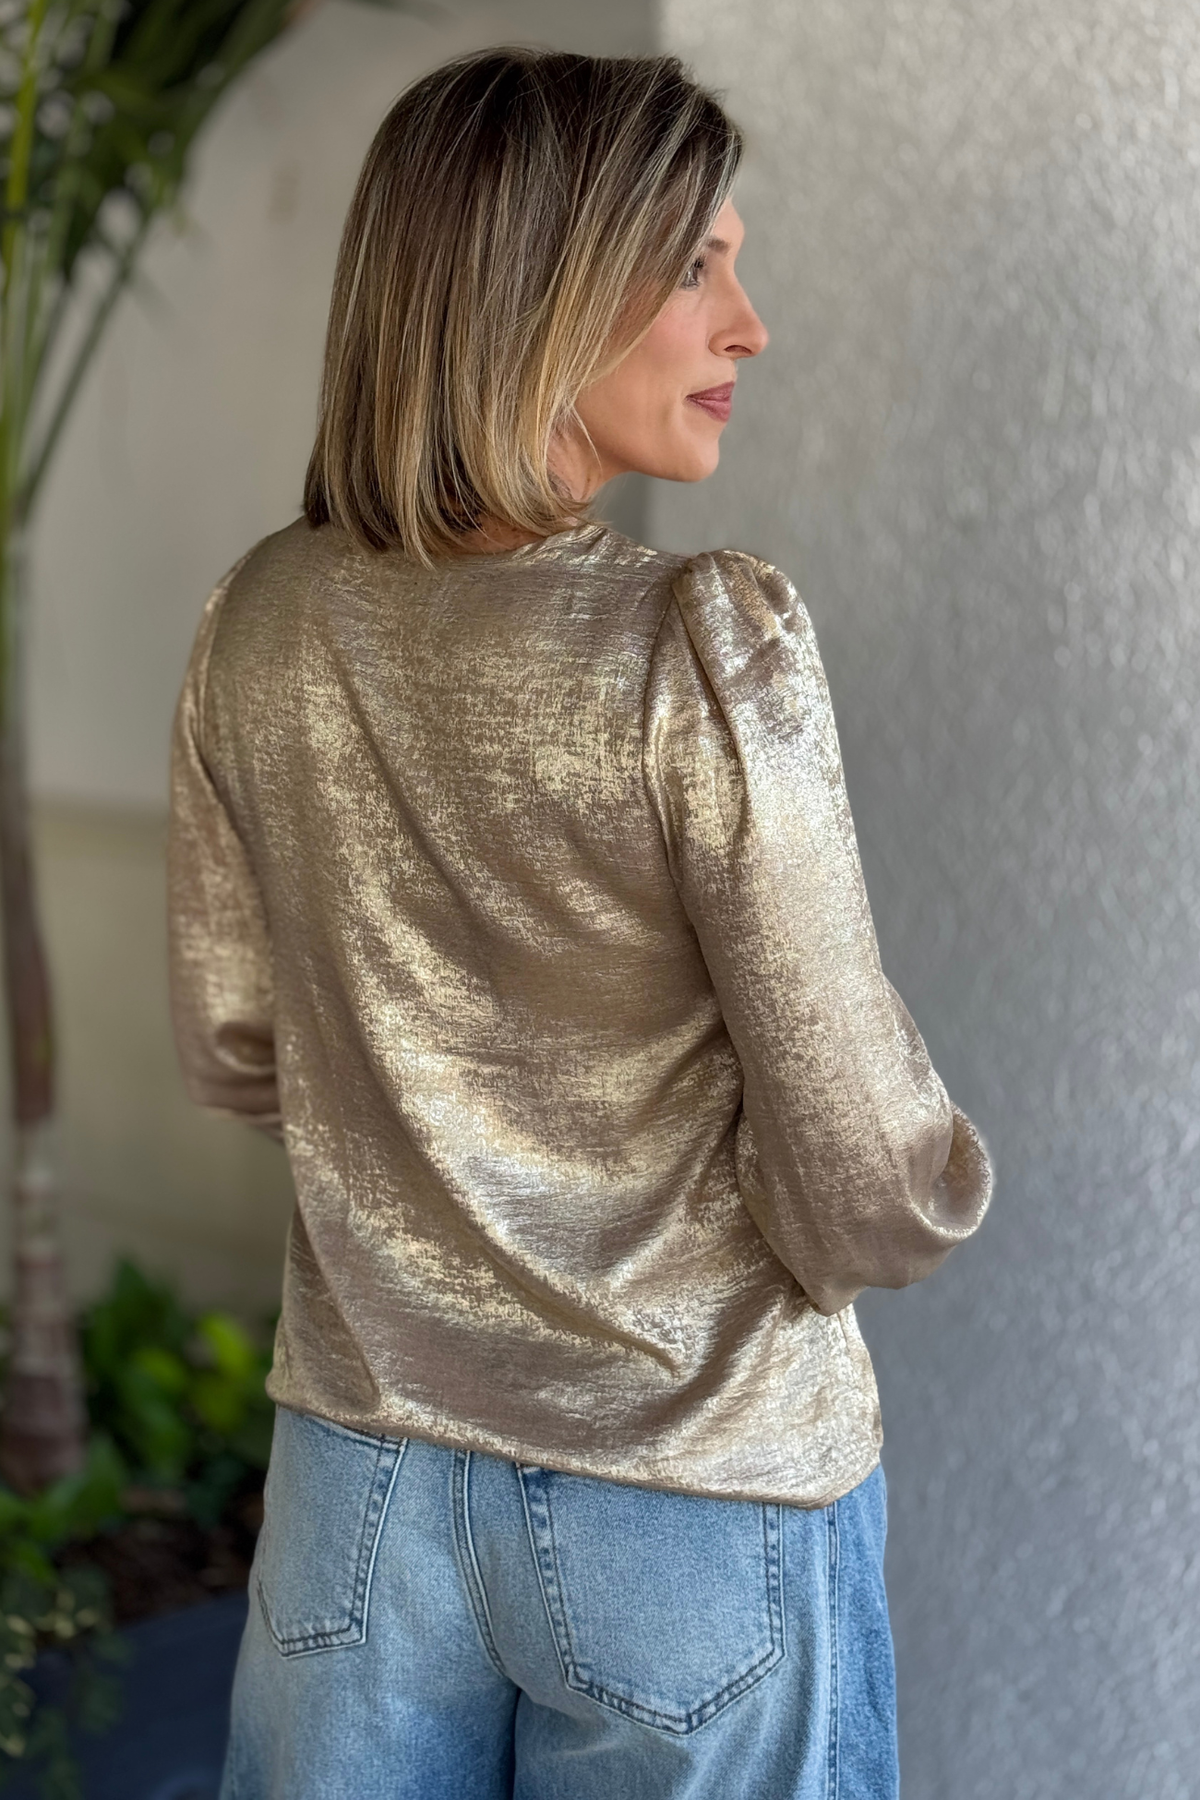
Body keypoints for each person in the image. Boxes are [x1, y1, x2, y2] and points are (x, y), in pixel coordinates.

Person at [167, 47, 992, 1800]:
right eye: (698, 264)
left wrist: (440, 1187)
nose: (748, 322)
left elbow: (243, 1050)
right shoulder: (706, 646)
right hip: (693, 1490)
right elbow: (862, 1171)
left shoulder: (260, 622)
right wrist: (902, 1199)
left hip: (360, 1482)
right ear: (538, 282)